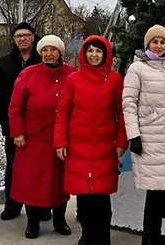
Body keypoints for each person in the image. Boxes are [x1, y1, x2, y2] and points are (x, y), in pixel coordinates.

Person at [54, 36, 128, 245]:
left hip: (104, 147)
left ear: (105, 55)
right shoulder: (74, 79)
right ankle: (86, 236)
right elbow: (63, 111)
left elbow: (122, 113)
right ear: (84, 54)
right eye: (90, 51)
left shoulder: (114, 79)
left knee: (101, 197)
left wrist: (121, 141)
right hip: (77, 147)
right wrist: (60, 141)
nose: (94, 55)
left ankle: (103, 237)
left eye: (98, 51)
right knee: (84, 197)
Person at [122, 24, 165, 245]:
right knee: (154, 190)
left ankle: (154, 235)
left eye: (162, 42)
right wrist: (135, 136)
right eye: (154, 42)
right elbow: (128, 104)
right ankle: (149, 237)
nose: (159, 46)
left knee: (161, 189)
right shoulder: (137, 69)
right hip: (148, 139)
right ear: (147, 44)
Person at [8, 34, 76, 239]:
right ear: (40, 52)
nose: (48, 53)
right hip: (33, 140)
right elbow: (15, 107)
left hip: (61, 139)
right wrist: (18, 132)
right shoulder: (28, 74)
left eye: (53, 50)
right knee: (32, 184)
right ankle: (33, 222)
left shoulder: (72, 74)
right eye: (45, 50)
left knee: (60, 183)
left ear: (60, 52)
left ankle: (59, 220)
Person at [0, 22, 43, 221]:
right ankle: (12, 205)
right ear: (14, 39)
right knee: (14, 167)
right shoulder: (3, 65)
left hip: (39, 128)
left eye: (26, 35)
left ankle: (41, 206)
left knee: (39, 169)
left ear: (33, 37)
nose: (22, 38)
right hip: (13, 127)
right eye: (18, 35)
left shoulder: (43, 61)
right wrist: (5, 121)